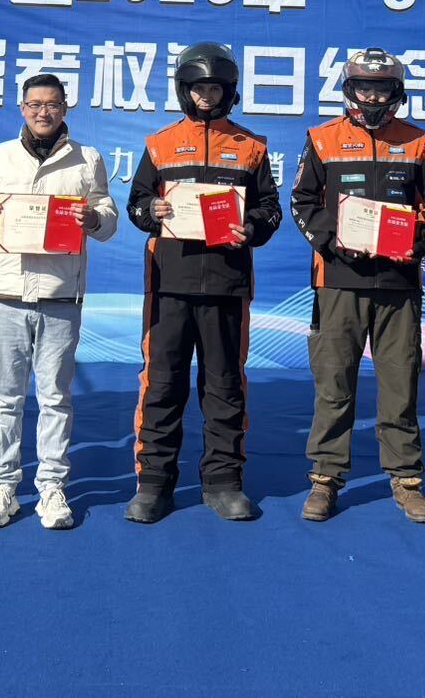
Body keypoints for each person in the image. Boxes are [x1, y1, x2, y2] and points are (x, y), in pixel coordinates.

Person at [290, 47, 425, 524]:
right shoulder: (322, 139)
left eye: (382, 89)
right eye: (365, 87)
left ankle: (406, 479)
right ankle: (325, 478)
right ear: (350, 89)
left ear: (396, 93)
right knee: (333, 382)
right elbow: (302, 202)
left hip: (399, 284)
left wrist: (417, 242)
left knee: (400, 383)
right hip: (338, 281)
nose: (373, 97)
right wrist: (336, 241)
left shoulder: (418, 142)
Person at [123, 41, 282, 523]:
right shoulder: (160, 143)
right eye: (197, 88)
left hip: (227, 286)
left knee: (225, 387)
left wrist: (251, 227)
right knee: (161, 386)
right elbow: (137, 204)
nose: (206, 96)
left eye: (214, 88)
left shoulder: (252, 146)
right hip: (169, 286)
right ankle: (154, 483)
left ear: (229, 91)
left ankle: (223, 482)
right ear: (183, 90)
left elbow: (270, 210)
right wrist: (151, 211)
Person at [0, 74, 117, 530]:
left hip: (60, 293)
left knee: (55, 398)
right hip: (8, 294)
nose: (43, 112)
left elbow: (108, 218)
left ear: (65, 108)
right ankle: (3, 487)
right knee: (5, 397)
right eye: (34, 104)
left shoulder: (87, 159)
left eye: (51, 104)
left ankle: (52, 486)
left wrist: (92, 217)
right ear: (22, 108)